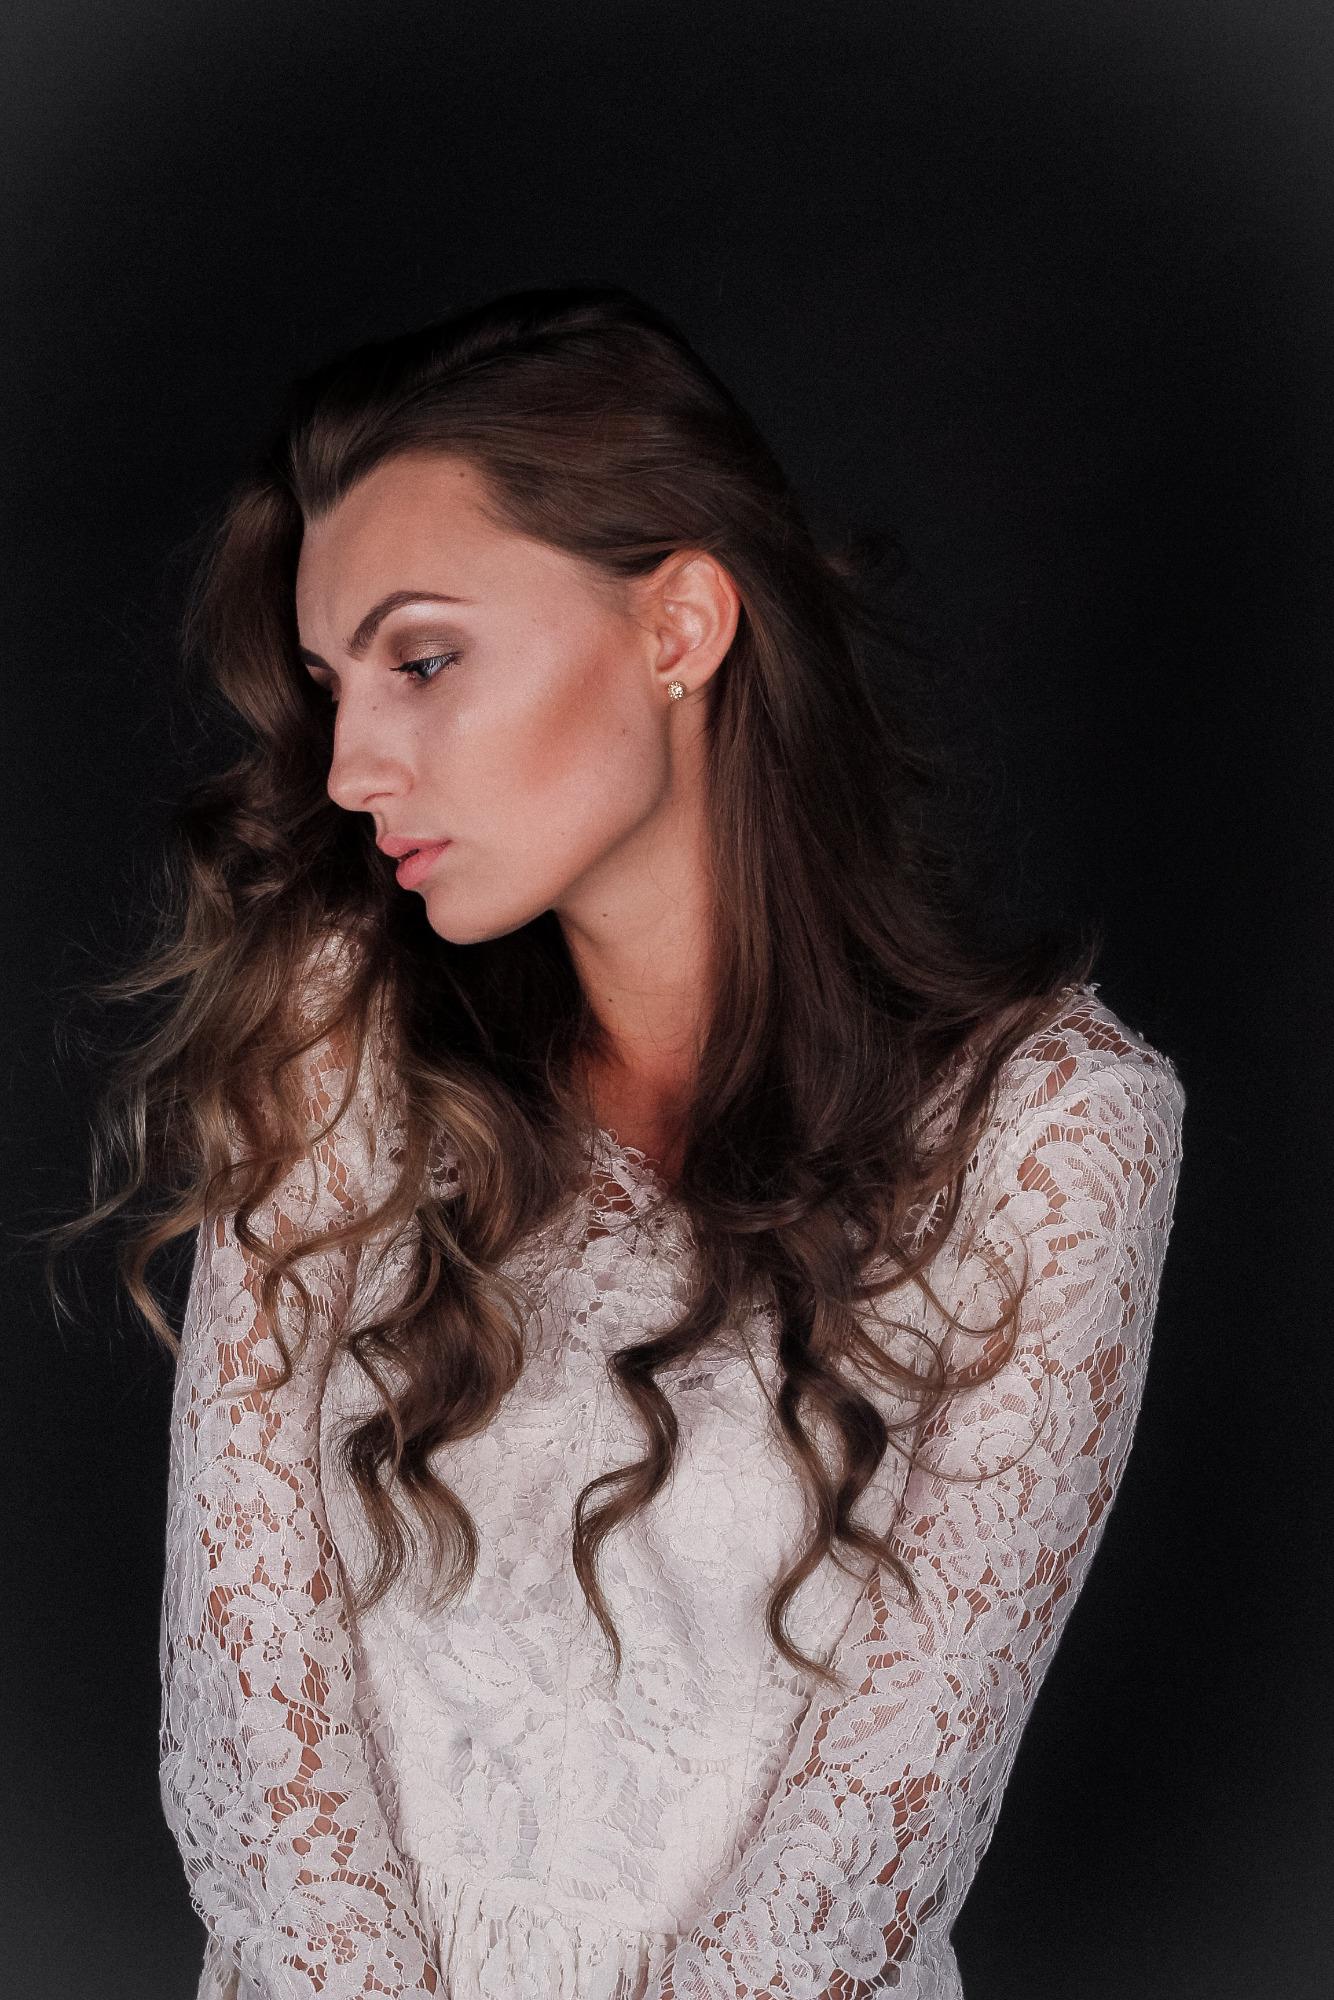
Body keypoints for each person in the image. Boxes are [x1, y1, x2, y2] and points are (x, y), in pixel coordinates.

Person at [53, 284, 1186, 1998]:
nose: (349, 766)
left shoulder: (1054, 1132)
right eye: (331, 684)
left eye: (422, 660)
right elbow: (246, 1691)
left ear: (679, 628)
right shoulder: (337, 1034)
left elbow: (874, 1841)